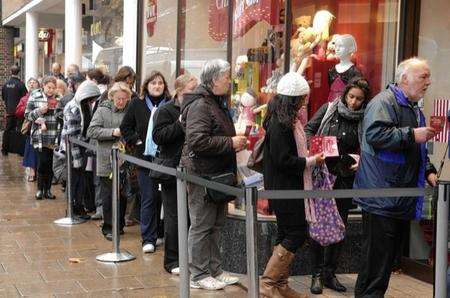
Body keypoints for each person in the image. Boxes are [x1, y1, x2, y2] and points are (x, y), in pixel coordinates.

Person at [353, 57, 438, 297]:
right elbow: (376, 135)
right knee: (376, 265)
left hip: (397, 198)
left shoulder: (412, 107)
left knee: (384, 263)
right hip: (382, 197)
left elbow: (415, 149)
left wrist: (429, 170)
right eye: (423, 77)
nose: (428, 82)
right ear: (404, 79)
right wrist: (412, 134)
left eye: (428, 77)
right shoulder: (384, 102)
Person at [180, 59, 244, 290]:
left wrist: (232, 144)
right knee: (201, 224)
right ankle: (198, 274)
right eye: (226, 76)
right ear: (214, 79)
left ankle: (214, 269)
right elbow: (198, 141)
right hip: (202, 175)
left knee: (215, 224)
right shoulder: (200, 105)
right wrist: (230, 143)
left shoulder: (214, 101)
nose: (230, 80)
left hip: (217, 174)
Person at [260, 72, 324, 298]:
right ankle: (268, 283)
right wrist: (311, 160)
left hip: (287, 187)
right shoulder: (281, 124)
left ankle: (279, 284)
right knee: (295, 234)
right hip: (285, 187)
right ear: (294, 99)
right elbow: (283, 160)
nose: (305, 102)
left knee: (286, 233)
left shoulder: (285, 120)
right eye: (303, 98)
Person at [304, 77, 371, 294]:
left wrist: (361, 161)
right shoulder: (329, 109)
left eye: (359, 99)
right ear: (345, 94)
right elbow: (308, 130)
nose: (354, 103)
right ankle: (315, 273)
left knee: (339, 225)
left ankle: (329, 273)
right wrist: (315, 149)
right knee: (318, 224)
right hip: (322, 175)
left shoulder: (364, 118)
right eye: (351, 97)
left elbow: (369, 146)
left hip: (345, 178)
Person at [120, 70, 170, 253]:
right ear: (146, 86)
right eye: (153, 83)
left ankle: (161, 233)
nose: (157, 86)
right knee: (148, 197)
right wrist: (138, 141)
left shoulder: (170, 105)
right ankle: (148, 237)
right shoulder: (137, 104)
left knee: (164, 199)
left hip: (166, 160)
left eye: (160, 83)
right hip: (145, 159)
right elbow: (125, 127)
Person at [153, 73, 198, 275]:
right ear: (179, 91)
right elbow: (159, 137)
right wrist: (180, 122)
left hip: (194, 169)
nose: (195, 93)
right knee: (173, 216)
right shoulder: (165, 110)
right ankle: (172, 260)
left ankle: (190, 258)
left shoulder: (199, 108)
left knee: (192, 217)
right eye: (191, 89)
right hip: (172, 170)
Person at [87, 82, 131, 240]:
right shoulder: (102, 110)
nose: (121, 101)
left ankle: (119, 225)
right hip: (106, 158)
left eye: (124, 99)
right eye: (118, 98)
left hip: (124, 158)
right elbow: (91, 130)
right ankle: (108, 227)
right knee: (108, 194)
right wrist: (113, 132)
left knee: (123, 192)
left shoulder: (130, 110)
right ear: (112, 97)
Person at [62, 80, 101, 220]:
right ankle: (73, 209)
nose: (92, 101)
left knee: (81, 180)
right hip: (73, 149)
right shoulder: (73, 107)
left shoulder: (85, 105)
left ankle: (78, 207)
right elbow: (72, 135)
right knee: (74, 180)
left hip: (82, 147)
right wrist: (77, 159)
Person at [25, 76, 61, 200]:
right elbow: (27, 114)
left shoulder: (58, 98)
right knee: (42, 162)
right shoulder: (35, 95)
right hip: (39, 135)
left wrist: (58, 111)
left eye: (53, 88)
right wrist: (40, 111)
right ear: (43, 86)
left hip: (53, 135)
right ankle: (40, 189)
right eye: (48, 87)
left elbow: (62, 115)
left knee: (50, 163)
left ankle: (48, 190)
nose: (51, 90)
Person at [16, 78, 40, 181]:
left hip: (42, 126)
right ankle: (32, 171)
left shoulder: (42, 96)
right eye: (30, 83)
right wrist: (28, 106)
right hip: (30, 127)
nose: (31, 84)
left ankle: (39, 171)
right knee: (31, 148)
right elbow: (18, 112)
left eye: (34, 83)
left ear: (38, 85)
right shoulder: (24, 98)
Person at [1, 65, 27, 156]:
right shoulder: (21, 85)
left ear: (10, 72)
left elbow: (3, 97)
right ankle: (19, 151)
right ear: (19, 72)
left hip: (9, 111)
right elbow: (25, 98)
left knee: (7, 130)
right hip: (19, 112)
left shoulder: (5, 84)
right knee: (20, 130)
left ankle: (4, 150)